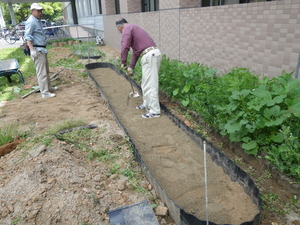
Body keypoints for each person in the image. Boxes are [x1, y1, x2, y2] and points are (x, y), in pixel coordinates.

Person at [116, 18, 162, 119]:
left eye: (119, 30)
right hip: (149, 55)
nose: (121, 32)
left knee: (151, 84)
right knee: (145, 83)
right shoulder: (133, 28)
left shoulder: (127, 29)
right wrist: (131, 67)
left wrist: (123, 62)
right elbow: (136, 52)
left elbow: (125, 46)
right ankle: (147, 104)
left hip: (150, 56)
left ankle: (155, 111)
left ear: (120, 27)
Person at [24, 3, 57, 98]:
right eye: (38, 11)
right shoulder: (31, 21)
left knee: (46, 71)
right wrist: (32, 50)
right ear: (32, 11)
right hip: (37, 49)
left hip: (42, 49)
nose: (40, 13)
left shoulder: (37, 20)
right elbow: (28, 36)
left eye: (41, 11)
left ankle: (48, 88)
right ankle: (45, 92)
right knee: (41, 73)